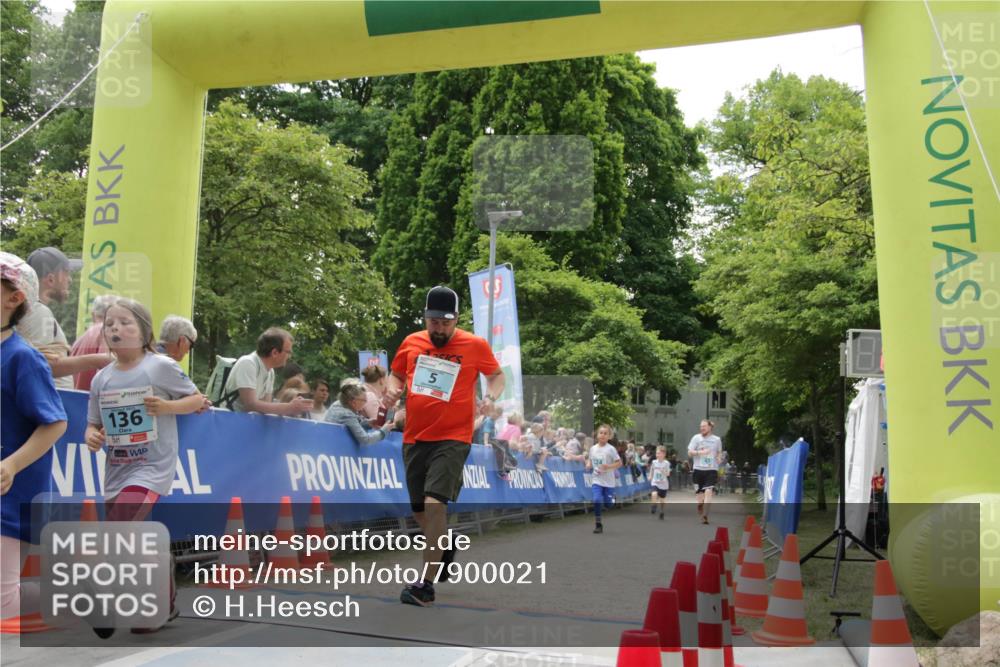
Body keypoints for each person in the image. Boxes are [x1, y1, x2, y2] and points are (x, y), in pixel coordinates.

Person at [84, 297, 206, 634]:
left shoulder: (159, 366)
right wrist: (92, 437)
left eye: (125, 323)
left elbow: (197, 399)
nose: (116, 329)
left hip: (151, 467)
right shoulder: (101, 379)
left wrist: (167, 407)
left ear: (144, 331)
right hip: (117, 468)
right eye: (110, 324)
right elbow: (92, 424)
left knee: (120, 525)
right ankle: (161, 605)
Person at [384, 286, 504, 607]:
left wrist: (490, 398)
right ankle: (445, 542)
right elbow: (396, 375)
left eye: (445, 323)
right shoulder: (411, 342)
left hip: (453, 437)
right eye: (433, 322)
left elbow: (496, 376)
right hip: (414, 437)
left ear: (456, 320)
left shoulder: (474, 345)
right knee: (420, 511)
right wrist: (393, 390)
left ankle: (425, 585)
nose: (438, 329)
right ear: (425, 317)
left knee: (434, 504)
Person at [1, 254, 68, 625]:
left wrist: (11, 465)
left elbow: (55, 423)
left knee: (3, 605)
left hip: (11, 496)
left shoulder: (22, 358)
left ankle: (77, 590)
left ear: (14, 299)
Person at [17, 248, 86, 388]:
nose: (70, 280)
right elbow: (35, 365)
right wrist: (96, 361)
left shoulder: (30, 308)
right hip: (46, 398)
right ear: (50, 279)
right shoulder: (37, 311)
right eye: (66, 273)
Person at [220, 327, 312, 416]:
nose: (290, 356)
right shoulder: (248, 363)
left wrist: (292, 409)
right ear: (274, 353)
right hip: (228, 421)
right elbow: (250, 405)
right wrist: (288, 408)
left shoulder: (270, 372)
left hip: (244, 422)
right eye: (288, 352)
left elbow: (266, 407)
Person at [70, 293, 117, 390]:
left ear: (93, 315)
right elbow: (108, 373)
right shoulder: (106, 332)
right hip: (95, 397)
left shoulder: (79, 341)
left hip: (75, 397)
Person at [324, 382, 395, 445]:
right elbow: (365, 439)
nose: (365, 403)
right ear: (353, 402)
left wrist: (368, 423)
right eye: (364, 400)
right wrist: (383, 431)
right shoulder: (347, 414)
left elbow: (352, 423)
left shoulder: (338, 404)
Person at [586, 425, 621, 534]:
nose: (603, 435)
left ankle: (612, 499)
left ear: (609, 436)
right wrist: (588, 465)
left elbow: (619, 463)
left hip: (609, 482)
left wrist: (608, 467)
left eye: (605, 433)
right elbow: (590, 460)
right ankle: (598, 524)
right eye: (601, 433)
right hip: (597, 480)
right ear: (597, 435)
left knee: (608, 505)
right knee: (596, 500)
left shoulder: (611, 449)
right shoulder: (593, 449)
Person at [687, 419, 722, 524]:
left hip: (711, 470)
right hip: (698, 469)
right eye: (701, 426)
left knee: (708, 491)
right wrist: (700, 452)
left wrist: (719, 457)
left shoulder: (717, 440)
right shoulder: (696, 438)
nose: (702, 428)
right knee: (700, 496)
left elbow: (719, 452)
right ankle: (700, 504)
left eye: (704, 426)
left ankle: (705, 515)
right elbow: (689, 453)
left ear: (710, 427)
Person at [648, 445, 671, 520]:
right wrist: (650, 476)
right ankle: (654, 505)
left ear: (664, 454)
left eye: (659, 453)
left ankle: (662, 511)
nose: (657, 455)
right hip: (655, 482)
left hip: (663, 484)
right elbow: (652, 470)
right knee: (654, 493)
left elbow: (668, 474)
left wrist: (663, 471)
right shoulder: (654, 462)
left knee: (662, 500)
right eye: (656, 453)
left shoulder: (666, 463)